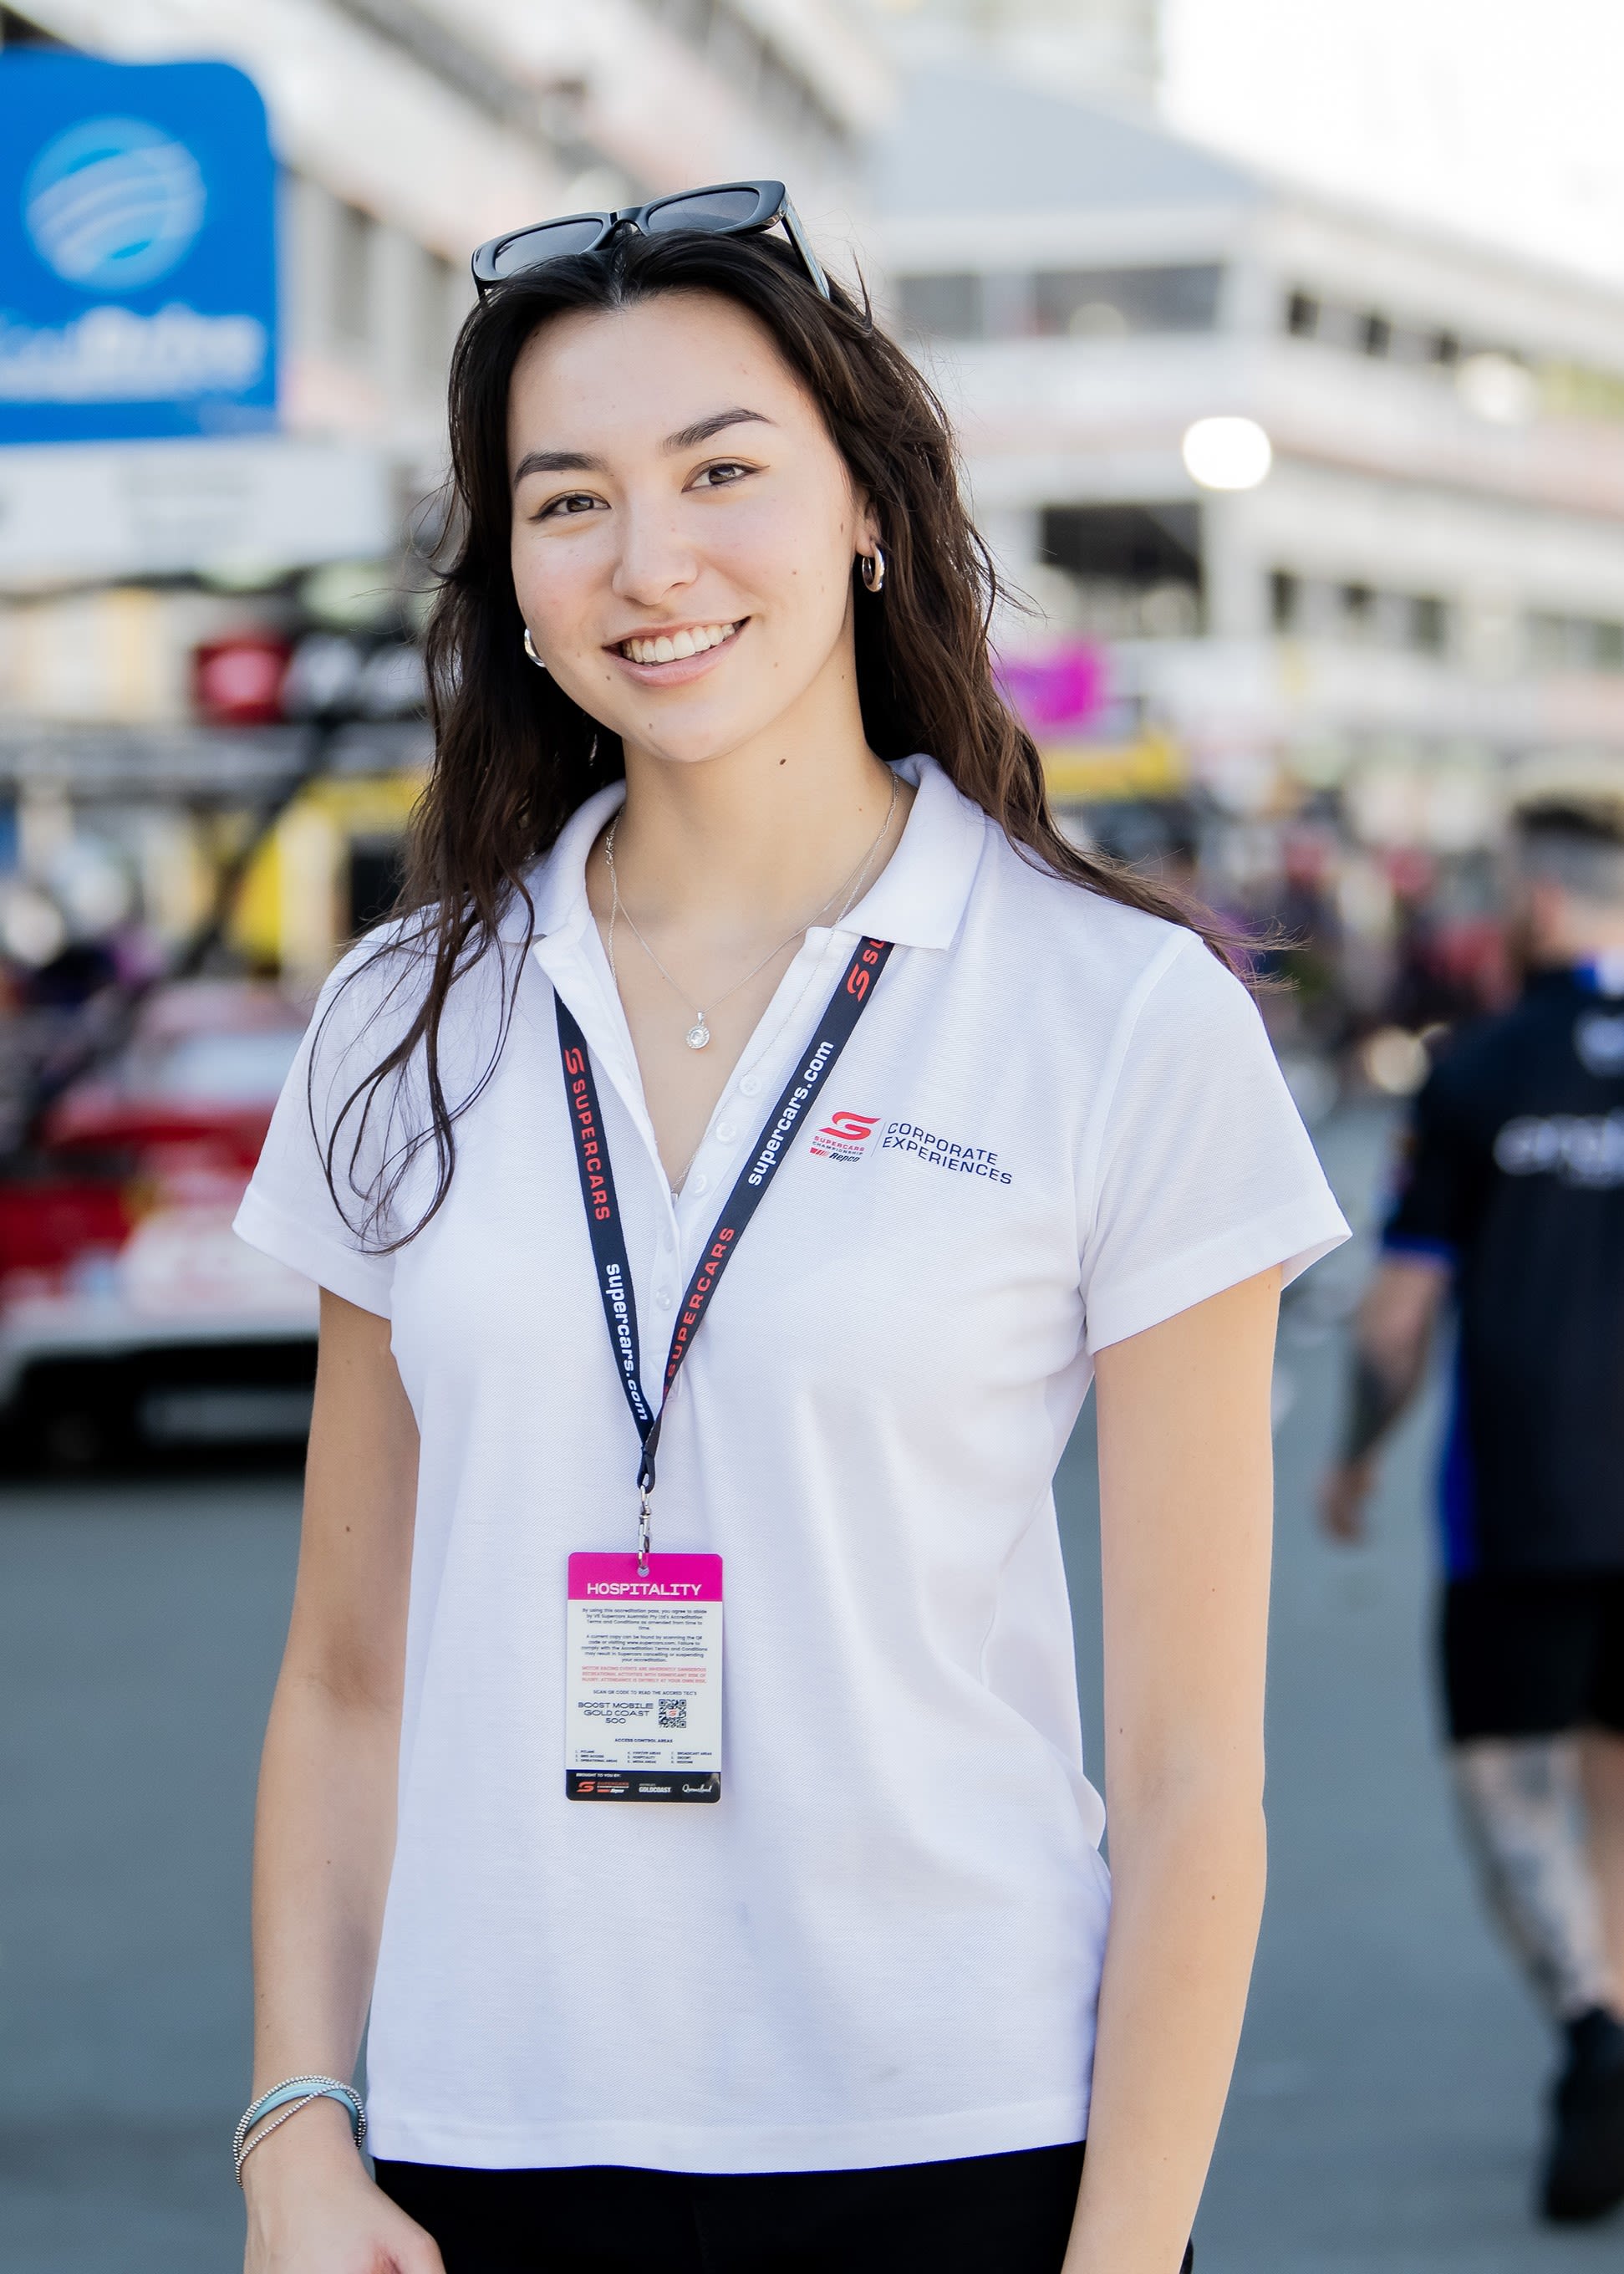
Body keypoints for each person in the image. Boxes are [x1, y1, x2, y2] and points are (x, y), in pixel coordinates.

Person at [232, 181, 1348, 2274]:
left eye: (722, 471)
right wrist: (299, 2127)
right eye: (568, 502)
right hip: (477, 2153)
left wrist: (1122, 2257)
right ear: (516, 584)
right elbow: (348, 1670)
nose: (652, 563)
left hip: (972, 2150)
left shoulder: (1115, 1012)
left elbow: (1197, 1768)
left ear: (863, 503)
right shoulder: (407, 1016)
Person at [1322, 774, 1624, 2224]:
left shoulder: (1482, 1070)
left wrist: (1356, 1454)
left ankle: (1593, 2028)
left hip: (1523, 1503)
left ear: (1543, 898)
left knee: (1512, 1781)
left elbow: (1396, 1316)